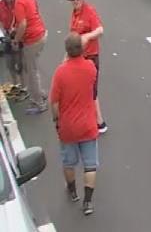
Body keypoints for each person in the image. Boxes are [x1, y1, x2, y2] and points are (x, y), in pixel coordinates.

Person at [50, 33, 100, 216]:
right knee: (90, 166)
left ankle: (72, 192)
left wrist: (57, 122)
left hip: (68, 127)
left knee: (69, 162)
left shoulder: (60, 73)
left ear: (66, 51)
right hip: (88, 125)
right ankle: (87, 203)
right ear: (82, 49)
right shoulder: (90, 68)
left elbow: (54, 103)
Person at [66, 0, 107, 134]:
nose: (75, 0)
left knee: (91, 91)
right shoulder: (74, 13)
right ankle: (91, 120)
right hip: (79, 58)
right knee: (83, 90)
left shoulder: (89, 12)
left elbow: (100, 30)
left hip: (90, 57)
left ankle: (100, 122)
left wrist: (87, 37)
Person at [7, 0, 47, 114]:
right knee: (32, 67)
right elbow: (33, 11)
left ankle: (39, 103)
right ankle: (40, 93)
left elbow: (23, 24)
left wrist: (16, 40)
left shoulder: (18, 2)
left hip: (32, 40)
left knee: (31, 72)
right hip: (41, 33)